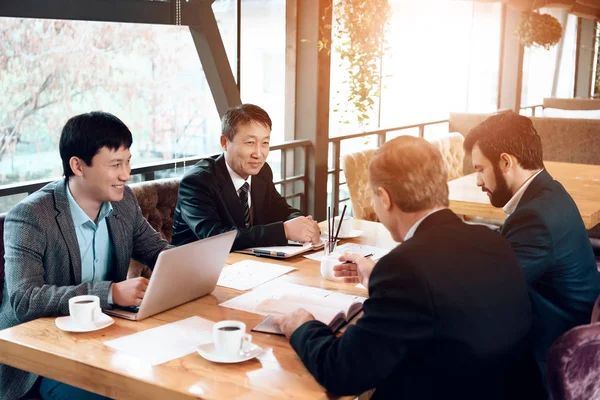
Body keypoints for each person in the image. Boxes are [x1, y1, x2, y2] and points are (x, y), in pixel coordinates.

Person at [273, 136, 544, 400]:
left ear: (384, 197)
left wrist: (302, 326)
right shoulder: (492, 240)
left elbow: (344, 372)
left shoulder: (404, 268)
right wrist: (377, 277)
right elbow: (447, 295)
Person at [0, 112, 170, 400]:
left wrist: (190, 267)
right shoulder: (30, 216)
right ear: (77, 165)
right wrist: (111, 292)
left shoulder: (124, 201)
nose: (126, 175)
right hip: (40, 357)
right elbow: (24, 300)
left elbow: (157, 250)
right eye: (115, 164)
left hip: (105, 339)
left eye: (128, 162)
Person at [463, 111, 600, 381]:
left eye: (480, 169)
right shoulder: (548, 191)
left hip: (555, 354)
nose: (478, 181)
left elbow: (484, 292)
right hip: (572, 325)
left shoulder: (535, 217)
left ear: (505, 162)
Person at [172, 104, 320, 250]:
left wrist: (302, 223)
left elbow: (279, 208)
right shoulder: (197, 182)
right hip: (199, 267)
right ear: (225, 143)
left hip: (247, 263)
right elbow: (214, 237)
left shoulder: (262, 172)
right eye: (250, 143)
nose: (258, 153)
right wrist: (284, 231)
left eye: (265, 143)